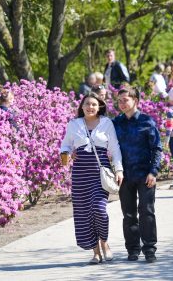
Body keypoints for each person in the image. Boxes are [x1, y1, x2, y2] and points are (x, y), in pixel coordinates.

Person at [60, 93, 124, 264]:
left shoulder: (106, 123)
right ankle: (95, 252)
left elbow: (115, 148)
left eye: (94, 104)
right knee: (85, 214)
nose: (90, 107)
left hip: (99, 173)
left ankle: (105, 243)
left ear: (99, 107)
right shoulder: (74, 124)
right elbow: (65, 144)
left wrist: (119, 170)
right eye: (87, 104)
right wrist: (67, 153)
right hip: (80, 175)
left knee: (99, 210)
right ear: (82, 106)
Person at [112, 88, 162, 263]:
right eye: (119, 100)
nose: (122, 103)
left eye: (126, 100)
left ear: (136, 101)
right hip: (124, 176)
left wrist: (153, 172)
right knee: (129, 214)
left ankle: (149, 249)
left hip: (145, 174)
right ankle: (132, 249)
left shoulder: (147, 121)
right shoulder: (115, 123)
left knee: (147, 212)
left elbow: (157, 149)